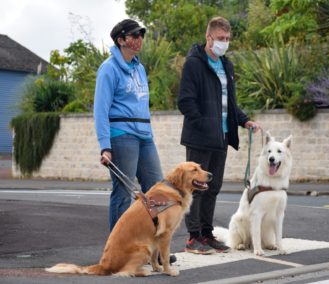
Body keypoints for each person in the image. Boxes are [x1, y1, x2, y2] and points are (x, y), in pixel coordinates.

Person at [93, 19, 176, 264]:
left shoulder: (140, 69)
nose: (139, 39)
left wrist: (149, 134)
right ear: (121, 40)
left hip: (144, 136)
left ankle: (158, 251)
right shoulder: (108, 69)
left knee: (158, 192)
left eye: (141, 34)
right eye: (134, 35)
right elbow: (100, 110)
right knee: (123, 193)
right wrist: (105, 145)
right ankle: (118, 251)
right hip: (122, 136)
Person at [178, 16, 261, 254]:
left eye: (227, 39)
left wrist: (244, 120)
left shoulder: (226, 65)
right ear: (208, 37)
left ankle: (206, 233)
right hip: (201, 137)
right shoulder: (194, 63)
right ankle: (193, 237)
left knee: (212, 187)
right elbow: (185, 101)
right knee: (195, 187)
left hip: (221, 137)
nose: (224, 43)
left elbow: (229, 103)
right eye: (220, 38)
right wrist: (204, 124)